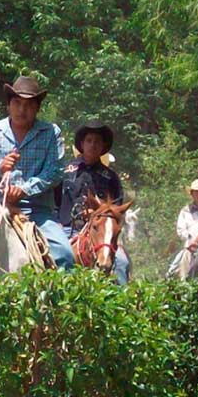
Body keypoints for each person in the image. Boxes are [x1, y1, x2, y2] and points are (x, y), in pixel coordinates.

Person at [0, 75, 74, 269]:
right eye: (17, 103)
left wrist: (25, 189)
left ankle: (61, 299)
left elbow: (55, 171)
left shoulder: (51, 133)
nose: (22, 110)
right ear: (8, 105)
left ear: (37, 107)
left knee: (64, 254)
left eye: (28, 105)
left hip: (37, 211)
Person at [58, 122, 129, 284]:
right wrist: (56, 223)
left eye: (97, 141)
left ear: (103, 146)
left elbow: (117, 211)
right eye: (89, 140)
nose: (92, 145)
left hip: (101, 233)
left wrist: (98, 216)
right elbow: (53, 200)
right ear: (82, 144)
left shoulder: (111, 177)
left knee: (122, 263)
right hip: (65, 228)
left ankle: (123, 301)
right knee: (55, 255)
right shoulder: (64, 171)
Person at [167, 179, 198, 277]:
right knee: (174, 270)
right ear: (192, 194)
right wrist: (190, 240)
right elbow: (181, 230)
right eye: (196, 192)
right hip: (191, 247)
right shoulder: (185, 211)